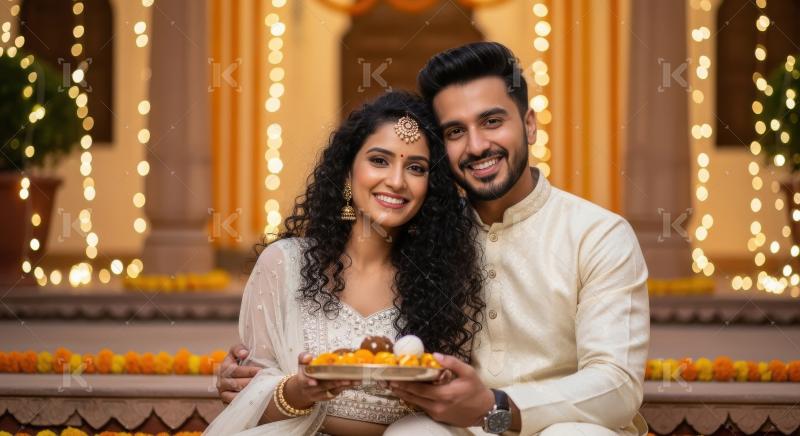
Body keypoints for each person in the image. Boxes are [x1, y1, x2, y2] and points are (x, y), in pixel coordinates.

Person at [218, 42, 650, 436]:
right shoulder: (432, 236)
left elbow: (616, 383)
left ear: (530, 125)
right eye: (455, 131)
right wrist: (258, 383)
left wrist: (496, 407)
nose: (477, 145)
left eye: (492, 122)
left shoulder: (598, 235)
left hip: (564, 426)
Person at [203, 91, 485, 435]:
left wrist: (422, 393)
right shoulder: (284, 265)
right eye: (379, 161)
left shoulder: (446, 278)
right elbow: (245, 398)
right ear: (348, 174)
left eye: (415, 168)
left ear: (431, 188)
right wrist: (301, 389)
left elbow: (463, 400)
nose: (396, 181)